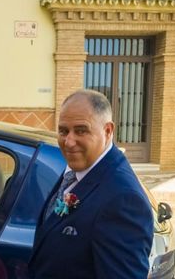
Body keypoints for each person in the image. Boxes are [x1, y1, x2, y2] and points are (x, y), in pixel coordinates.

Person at [29, 89, 153, 279]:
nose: (69, 142)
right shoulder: (76, 169)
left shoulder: (123, 200)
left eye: (81, 130)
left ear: (108, 130)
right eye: (63, 131)